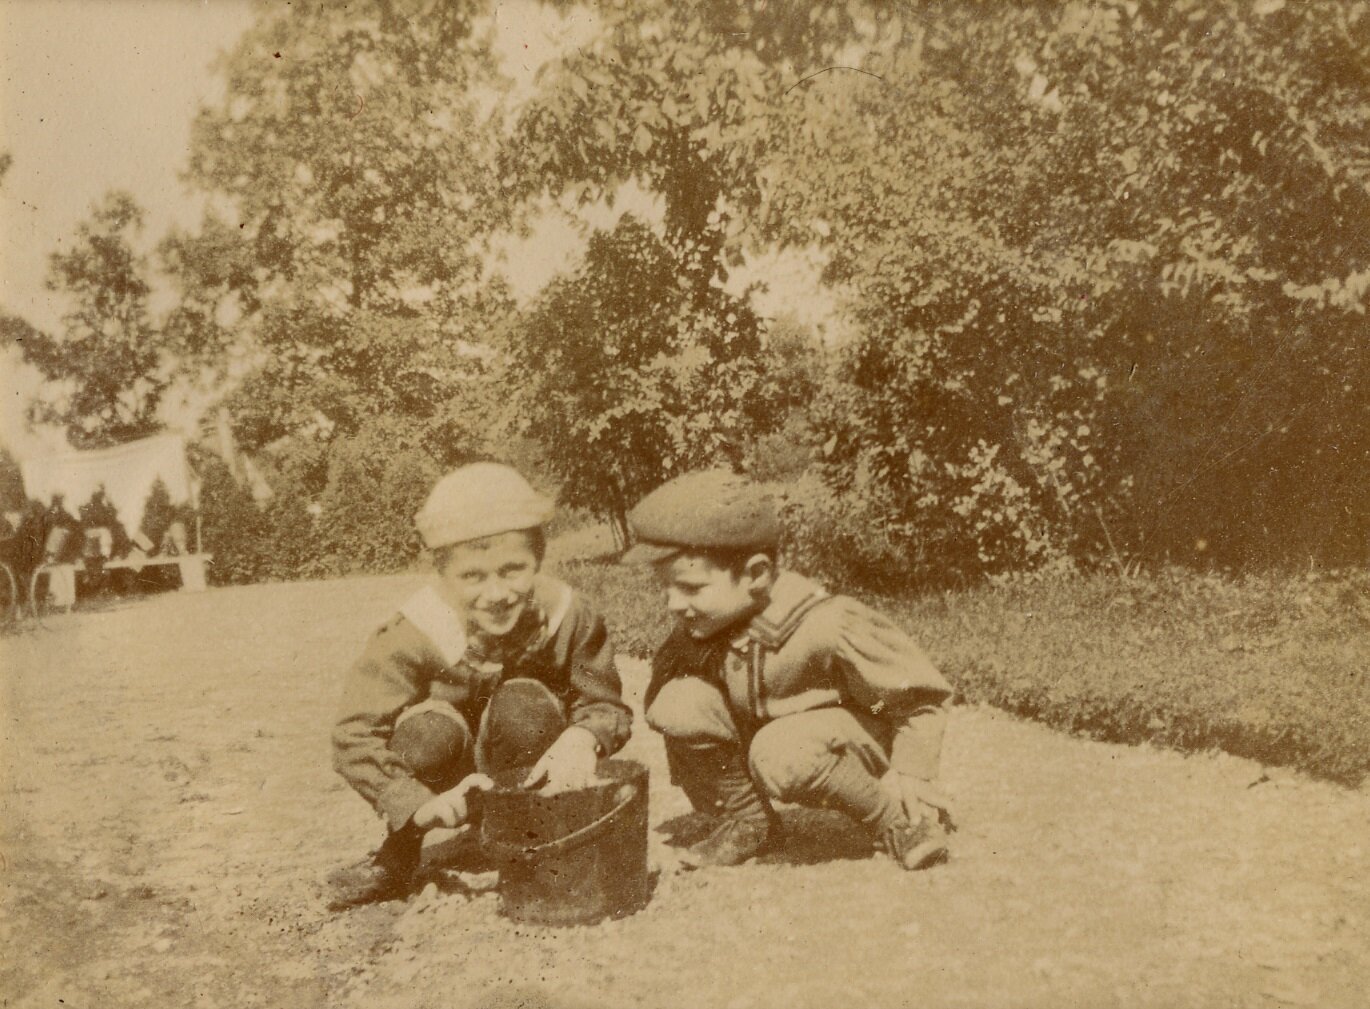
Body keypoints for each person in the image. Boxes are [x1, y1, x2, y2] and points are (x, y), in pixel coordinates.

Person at [328, 463, 632, 910]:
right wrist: (412, 803)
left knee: (523, 705)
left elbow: (604, 703)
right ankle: (401, 848)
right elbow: (353, 734)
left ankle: (529, 838)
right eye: (472, 576)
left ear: (539, 559)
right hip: (447, 771)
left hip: (529, 757)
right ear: (442, 574)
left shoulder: (566, 614)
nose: (495, 593)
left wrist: (583, 737)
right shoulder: (415, 631)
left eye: (513, 570)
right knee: (425, 733)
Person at [623, 469, 955, 872]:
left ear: (756, 575)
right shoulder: (703, 625)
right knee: (678, 703)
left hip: (856, 733)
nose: (673, 604)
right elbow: (670, 700)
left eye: (691, 587)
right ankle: (749, 822)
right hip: (773, 735)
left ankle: (898, 824)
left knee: (781, 752)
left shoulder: (827, 623)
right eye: (667, 588)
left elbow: (918, 699)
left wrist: (912, 772)